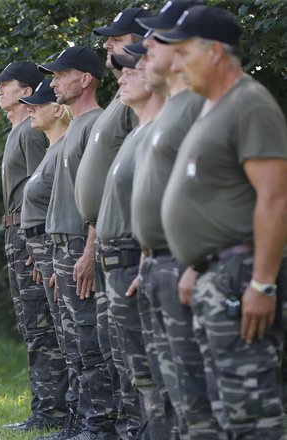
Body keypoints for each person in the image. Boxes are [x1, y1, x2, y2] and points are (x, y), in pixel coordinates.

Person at [158, 5, 287, 438]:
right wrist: (197, 266)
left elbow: (276, 197)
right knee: (221, 407)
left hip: (241, 277)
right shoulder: (213, 108)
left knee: (250, 413)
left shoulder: (249, 104)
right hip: (216, 276)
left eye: (183, 52)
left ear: (214, 52)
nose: (174, 62)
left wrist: (263, 283)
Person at [130, 2, 222, 439]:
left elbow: (217, 190)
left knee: (194, 394)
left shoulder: (199, 107)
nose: (145, 45)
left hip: (186, 265)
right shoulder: (169, 108)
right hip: (157, 262)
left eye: (158, 37)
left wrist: (196, 261)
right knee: (169, 390)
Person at [73, 8, 148, 439]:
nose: (106, 45)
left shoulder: (138, 99)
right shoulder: (124, 95)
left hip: (129, 244)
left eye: (115, 38)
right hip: (106, 240)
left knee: (133, 357)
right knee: (112, 348)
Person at [39, 46, 118, 440]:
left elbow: (99, 198)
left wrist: (88, 252)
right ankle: (79, 420)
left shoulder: (97, 124)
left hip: (80, 246)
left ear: (85, 79)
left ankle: (100, 423)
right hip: (63, 246)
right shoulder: (74, 127)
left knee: (89, 340)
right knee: (72, 341)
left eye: (60, 74)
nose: (53, 82)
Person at [0, 61, 67, 432]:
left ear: (26, 91)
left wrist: (42, 246)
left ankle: (52, 410)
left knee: (42, 324)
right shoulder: (18, 131)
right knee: (31, 324)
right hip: (16, 234)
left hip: (31, 235)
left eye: (6, 84)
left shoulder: (32, 134)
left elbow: (47, 190)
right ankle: (45, 407)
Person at [96, 50, 169, 438]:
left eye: (130, 72)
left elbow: (163, 203)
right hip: (118, 263)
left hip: (136, 262)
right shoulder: (138, 132)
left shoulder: (159, 131)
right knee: (129, 368)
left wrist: (146, 259)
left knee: (148, 373)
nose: (121, 78)